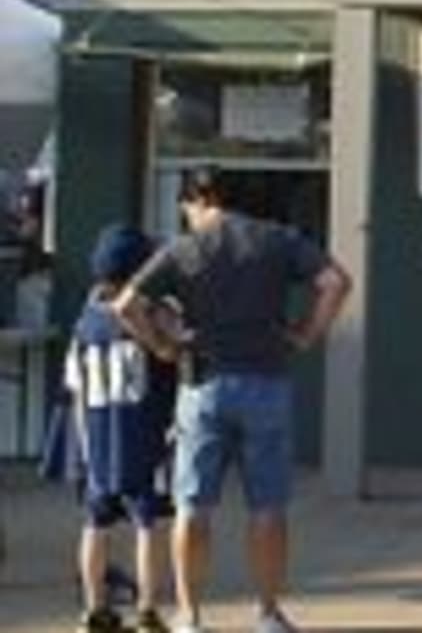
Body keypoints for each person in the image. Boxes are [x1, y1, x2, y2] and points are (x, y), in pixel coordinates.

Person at [114, 169, 352, 633]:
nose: (186, 214)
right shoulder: (278, 240)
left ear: (201, 199)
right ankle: (267, 613)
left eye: (187, 205)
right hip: (267, 380)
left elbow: (126, 305)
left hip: (202, 383)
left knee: (192, 504)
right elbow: (336, 282)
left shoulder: (184, 249)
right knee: (267, 506)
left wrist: (163, 345)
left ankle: (190, 616)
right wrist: (306, 334)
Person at [65, 225, 182, 633]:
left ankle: (94, 609)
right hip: (145, 435)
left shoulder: (85, 323)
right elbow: (174, 353)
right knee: (150, 524)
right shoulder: (149, 313)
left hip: (99, 439)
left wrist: (82, 444)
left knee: (96, 523)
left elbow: (75, 387)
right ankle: (148, 610)